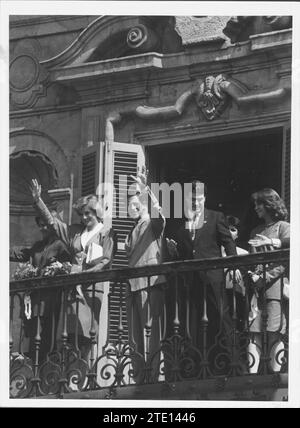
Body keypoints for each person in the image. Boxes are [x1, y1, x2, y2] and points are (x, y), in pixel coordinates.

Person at [29, 179, 117, 362]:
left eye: (88, 213)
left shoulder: (107, 232)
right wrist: (39, 201)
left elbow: (106, 260)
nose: (84, 217)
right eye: (82, 214)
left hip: (91, 289)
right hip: (73, 291)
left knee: (87, 335)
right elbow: (53, 223)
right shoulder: (75, 233)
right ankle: (72, 379)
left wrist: (83, 272)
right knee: (70, 335)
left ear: (97, 213)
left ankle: (86, 378)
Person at [167, 180, 242, 373]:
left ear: (204, 198)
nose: (196, 203)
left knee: (222, 320)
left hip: (213, 279)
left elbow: (228, 244)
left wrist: (234, 267)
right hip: (192, 282)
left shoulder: (216, 217)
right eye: (192, 199)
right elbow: (186, 254)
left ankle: (236, 366)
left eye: (199, 199)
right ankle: (205, 367)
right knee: (199, 324)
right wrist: (174, 251)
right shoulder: (181, 224)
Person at [10, 212, 71, 362]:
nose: (43, 227)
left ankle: (43, 363)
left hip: (51, 298)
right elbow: (19, 254)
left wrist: (57, 269)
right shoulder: (38, 246)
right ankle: (34, 362)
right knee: (33, 329)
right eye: (40, 224)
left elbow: (68, 265)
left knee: (46, 331)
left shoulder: (61, 244)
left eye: (46, 224)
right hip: (35, 297)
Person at [125, 168, 166, 382]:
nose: (132, 207)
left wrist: (144, 188)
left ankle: (152, 378)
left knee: (151, 334)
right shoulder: (133, 228)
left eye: (136, 203)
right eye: (129, 204)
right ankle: (139, 378)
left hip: (149, 284)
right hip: (132, 286)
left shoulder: (153, 223)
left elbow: (159, 214)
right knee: (135, 337)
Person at [247, 188, 290, 374]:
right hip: (257, 289)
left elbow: (284, 260)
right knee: (253, 333)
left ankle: (275, 378)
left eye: (259, 204)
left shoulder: (283, 226)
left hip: (275, 289)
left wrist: (264, 278)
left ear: (269, 205)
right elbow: (250, 260)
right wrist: (251, 275)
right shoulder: (255, 231)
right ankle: (252, 376)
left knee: (275, 332)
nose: (256, 207)